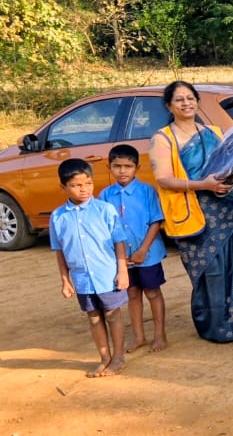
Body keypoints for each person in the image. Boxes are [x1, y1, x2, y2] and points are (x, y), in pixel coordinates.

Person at [150, 81, 233, 343]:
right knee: (211, 270)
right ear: (169, 105)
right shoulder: (163, 138)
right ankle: (216, 328)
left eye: (190, 98)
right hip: (196, 214)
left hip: (226, 207)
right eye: (179, 100)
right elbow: (164, 179)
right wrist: (204, 185)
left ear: (197, 101)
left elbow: (230, 165)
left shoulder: (212, 131)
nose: (186, 103)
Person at [51, 158, 130, 377]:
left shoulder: (105, 209)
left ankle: (119, 357)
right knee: (94, 318)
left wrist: (122, 271)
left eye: (88, 183)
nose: (83, 189)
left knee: (113, 315)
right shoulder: (58, 217)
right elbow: (60, 250)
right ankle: (104, 357)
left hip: (107, 276)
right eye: (76, 185)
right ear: (63, 187)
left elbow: (119, 242)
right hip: (82, 279)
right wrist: (65, 280)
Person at [100, 144, 168, 353]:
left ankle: (160, 334)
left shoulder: (147, 191)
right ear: (108, 167)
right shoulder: (105, 195)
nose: (122, 171)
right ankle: (139, 336)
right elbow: (104, 228)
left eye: (127, 166)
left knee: (153, 292)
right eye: (117, 166)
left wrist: (142, 250)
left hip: (148, 254)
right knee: (132, 292)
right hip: (122, 258)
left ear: (137, 168)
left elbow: (156, 222)